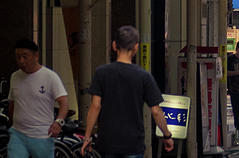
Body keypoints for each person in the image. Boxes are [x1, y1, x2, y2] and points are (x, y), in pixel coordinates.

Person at [82, 25, 174, 158]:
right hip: (133, 144)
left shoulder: (101, 73)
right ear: (136, 47)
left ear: (114, 45)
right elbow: (155, 111)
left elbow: (95, 106)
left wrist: (87, 137)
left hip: (108, 143)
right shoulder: (143, 76)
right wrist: (167, 135)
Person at [7, 38, 68, 158]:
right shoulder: (15, 76)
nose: (21, 61)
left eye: (25, 56)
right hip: (18, 134)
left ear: (36, 56)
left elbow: (64, 103)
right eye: (18, 57)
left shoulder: (50, 77)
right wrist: (11, 121)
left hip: (42, 135)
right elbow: (12, 102)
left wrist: (58, 122)